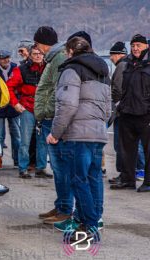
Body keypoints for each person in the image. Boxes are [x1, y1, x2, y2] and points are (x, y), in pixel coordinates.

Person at [47, 36, 110, 243]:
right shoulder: (103, 72)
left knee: (78, 179)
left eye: (66, 51)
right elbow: (109, 108)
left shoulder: (71, 70)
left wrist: (55, 133)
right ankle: (93, 219)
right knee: (93, 177)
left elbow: (67, 105)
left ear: (71, 51)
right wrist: (100, 125)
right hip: (98, 133)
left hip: (78, 134)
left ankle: (88, 225)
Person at [34, 27, 71, 224]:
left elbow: (58, 92)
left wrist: (47, 112)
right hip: (49, 118)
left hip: (53, 119)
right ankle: (60, 205)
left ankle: (65, 209)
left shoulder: (58, 58)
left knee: (61, 168)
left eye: (38, 44)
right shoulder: (54, 57)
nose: (37, 49)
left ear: (43, 43)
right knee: (58, 168)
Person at [110, 34, 150, 192]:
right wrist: (120, 107)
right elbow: (121, 89)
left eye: (138, 45)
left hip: (146, 114)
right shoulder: (127, 65)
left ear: (146, 46)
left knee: (148, 151)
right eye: (133, 45)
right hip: (127, 113)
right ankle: (127, 179)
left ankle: (148, 182)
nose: (135, 48)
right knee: (126, 150)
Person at [7, 45, 50, 179]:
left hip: (44, 108)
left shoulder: (48, 68)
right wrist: (15, 104)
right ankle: (23, 168)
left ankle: (41, 168)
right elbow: (8, 87)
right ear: (30, 55)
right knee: (25, 140)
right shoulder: (21, 69)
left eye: (40, 53)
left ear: (44, 55)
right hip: (28, 107)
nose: (38, 56)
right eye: (35, 54)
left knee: (42, 140)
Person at [0, 50, 20, 166]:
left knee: (16, 133)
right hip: (0, 106)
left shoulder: (15, 67)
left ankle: (17, 159)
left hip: (13, 105)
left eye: (7, 58)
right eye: (2, 58)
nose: (5, 60)